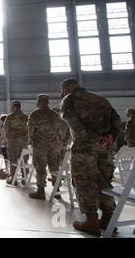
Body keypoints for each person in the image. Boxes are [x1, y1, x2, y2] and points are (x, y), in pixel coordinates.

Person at [60, 78, 121, 236]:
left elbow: (74, 125)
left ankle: (91, 221)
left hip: (84, 148)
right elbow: (117, 120)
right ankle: (108, 218)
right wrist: (109, 136)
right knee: (105, 181)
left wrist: (94, 138)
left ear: (66, 89)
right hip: (105, 147)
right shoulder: (101, 99)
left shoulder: (69, 100)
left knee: (85, 181)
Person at [27, 94, 61, 200]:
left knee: (40, 168)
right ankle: (57, 191)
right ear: (48, 102)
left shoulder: (34, 115)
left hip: (40, 146)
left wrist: (34, 138)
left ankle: (41, 191)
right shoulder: (55, 115)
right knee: (55, 168)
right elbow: (60, 130)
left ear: (39, 102)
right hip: (53, 146)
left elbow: (30, 132)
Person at [4, 100, 29, 185]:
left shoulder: (10, 117)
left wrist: (8, 137)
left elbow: (6, 128)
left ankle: (13, 179)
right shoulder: (26, 117)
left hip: (13, 142)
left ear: (13, 107)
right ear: (20, 106)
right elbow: (30, 128)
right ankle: (24, 179)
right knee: (24, 160)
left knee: (13, 160)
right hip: (23, 142)